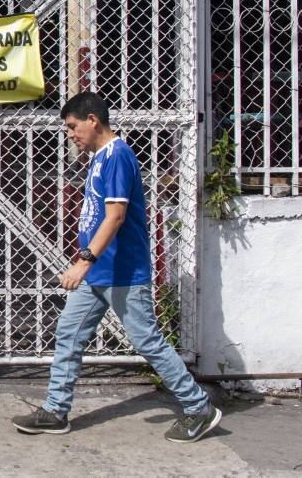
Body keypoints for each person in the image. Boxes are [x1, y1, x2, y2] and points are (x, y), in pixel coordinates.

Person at [12, 91, 222, 444]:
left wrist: (84, 261)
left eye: (72, 126)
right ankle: (55, 411)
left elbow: (116, 216)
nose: (70, 134)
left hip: (122, 272)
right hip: (98, 273)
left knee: (148, 341)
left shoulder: (118, 156)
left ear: (93, 120)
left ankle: (197, 406)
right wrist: (87, 261)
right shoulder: (99, 157)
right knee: (69, 334)